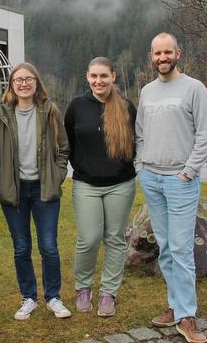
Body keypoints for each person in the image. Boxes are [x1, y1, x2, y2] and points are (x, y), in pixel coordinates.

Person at [135, 33, 207, 343]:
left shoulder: (195, 89)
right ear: (152, 56)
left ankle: (186, 316)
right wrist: (141, 167)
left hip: (180, 181)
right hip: (152, 179)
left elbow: (205, 136)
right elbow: (140, 133)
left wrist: (188, 171)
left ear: (177, 54)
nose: (162, 57)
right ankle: (174, 306)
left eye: (168, 52)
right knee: (166, 247)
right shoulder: (147, 91)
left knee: (181, 249)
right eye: (157, 52)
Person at [0, 63, 71, 321]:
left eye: (29, 79)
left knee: (49, 247)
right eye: (18, 79)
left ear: (36, 83)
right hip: (14, 191)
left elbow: (64, 148)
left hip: (44, 189)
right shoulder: (1, 114)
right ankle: (29, 298)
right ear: (12, 84)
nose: (24, 83)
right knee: (21, 247)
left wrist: (56, 177)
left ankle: (53, 297)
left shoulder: (50, 111)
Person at [64, 57, 137, 317]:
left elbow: (134, 144)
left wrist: (118, 167)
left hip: (120, 184)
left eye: (104, 76)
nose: (99, 81)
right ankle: (83, 288)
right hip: (86, 185)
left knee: (115, 240)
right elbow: (69, 143)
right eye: (94, 76)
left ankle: (108, 293)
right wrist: (82, 167)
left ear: (113, 76)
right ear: (87, 77)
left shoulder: (126, 106)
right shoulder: (76, 106)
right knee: (89, 238)